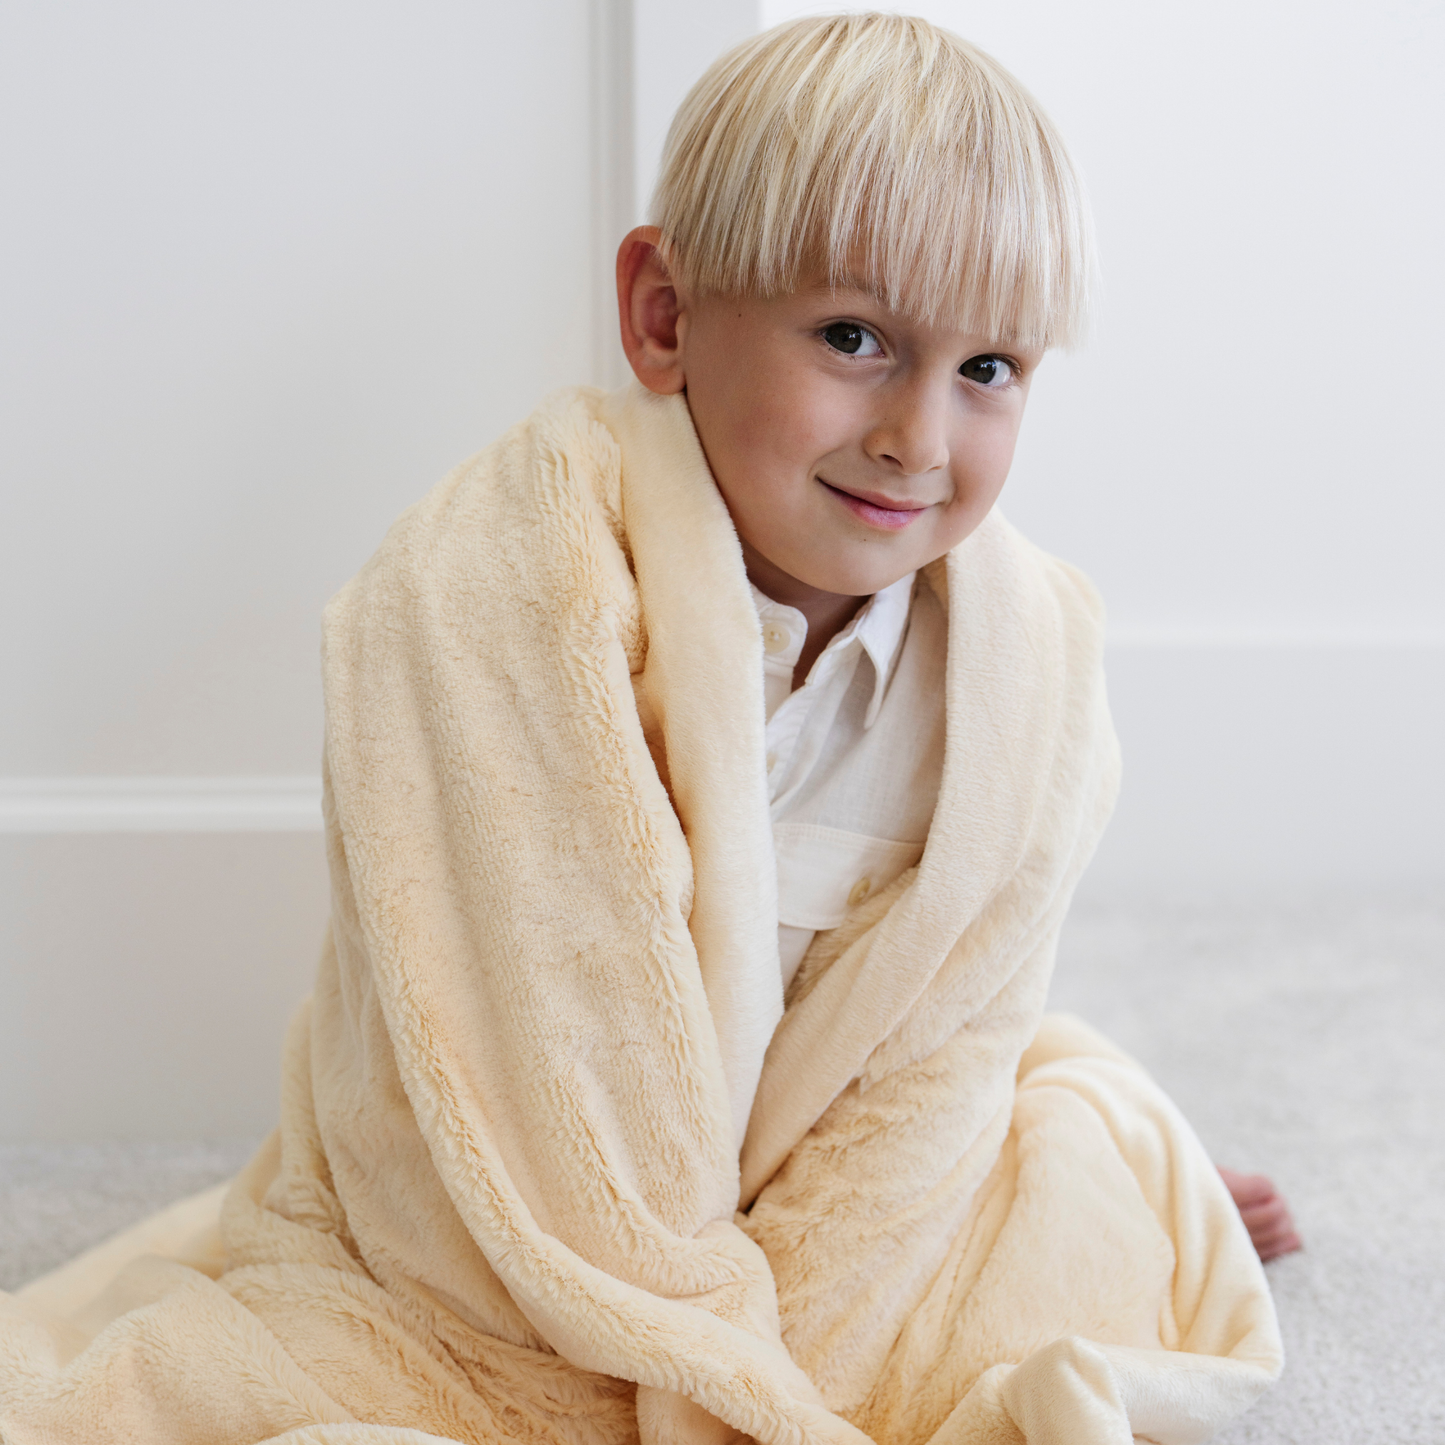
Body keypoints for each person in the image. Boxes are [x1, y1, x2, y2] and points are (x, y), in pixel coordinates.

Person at [0, 15, 1296, 1444]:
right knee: (319, 1381)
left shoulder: (1022, 679)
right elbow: (534, 1062)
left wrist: (825, 1307)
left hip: (817, 1184)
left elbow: (928, 1071)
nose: (921, 439)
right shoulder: (498, 595)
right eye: (854, 338)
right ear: (665, 316)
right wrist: (721, 1363)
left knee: (1056, 1230)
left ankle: (1054, 1205)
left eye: (990, 369)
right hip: (505, 1204)